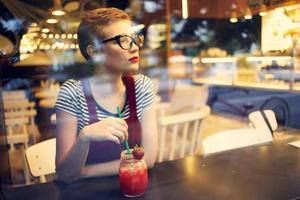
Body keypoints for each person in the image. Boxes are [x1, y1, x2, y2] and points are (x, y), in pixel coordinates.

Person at [55, 7, 158, 182]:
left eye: (134, 38)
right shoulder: (72, 94)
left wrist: (84, 172)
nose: (134, 48)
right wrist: (84, 137)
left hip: (131, 187)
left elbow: (148, 159)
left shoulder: (141, 86)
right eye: (123, 40)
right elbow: (64, 173)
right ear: (95, 52)